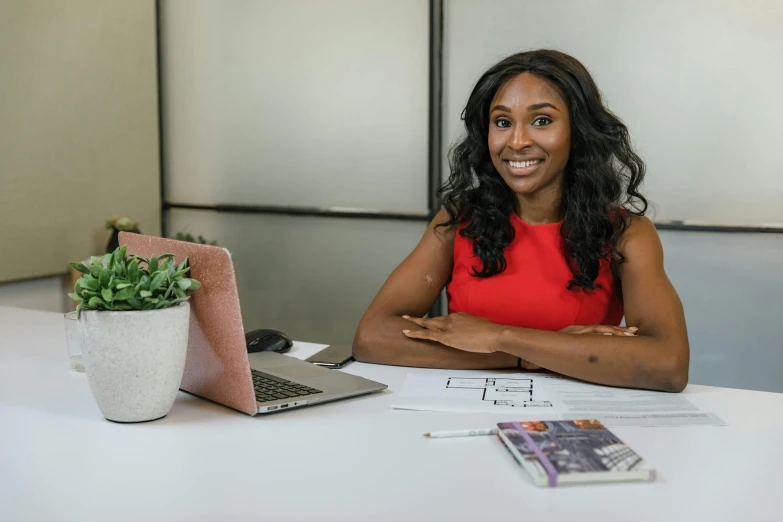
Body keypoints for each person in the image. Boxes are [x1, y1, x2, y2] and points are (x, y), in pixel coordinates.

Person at [352, 50, 689, 393]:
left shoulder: (627, 234)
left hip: (574, 419)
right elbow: (373, 336)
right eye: (502, 122)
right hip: (462, 408)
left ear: (579, 131)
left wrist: (500, 336)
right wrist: (533, 355)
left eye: (542, 121)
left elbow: (667, 364)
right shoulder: (459, 220)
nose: (517, 141)